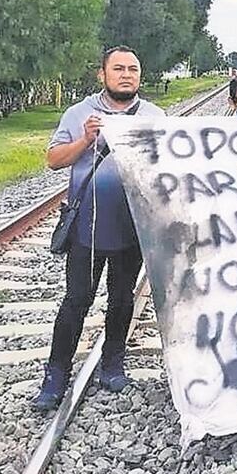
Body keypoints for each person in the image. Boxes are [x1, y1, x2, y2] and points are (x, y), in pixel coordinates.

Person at [33, 45, 166, 411]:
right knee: (77, 299)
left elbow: (168, 165)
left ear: (140, 76)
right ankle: (55, 375)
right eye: (119, 68)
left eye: (133, 69)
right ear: (102, 75)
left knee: (122, 298)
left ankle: (113, 363)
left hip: (132, 226)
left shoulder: (154, 115)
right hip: (87, 228)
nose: (126, 75)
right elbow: (53, 161)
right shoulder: (80, 114)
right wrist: (86, 140)